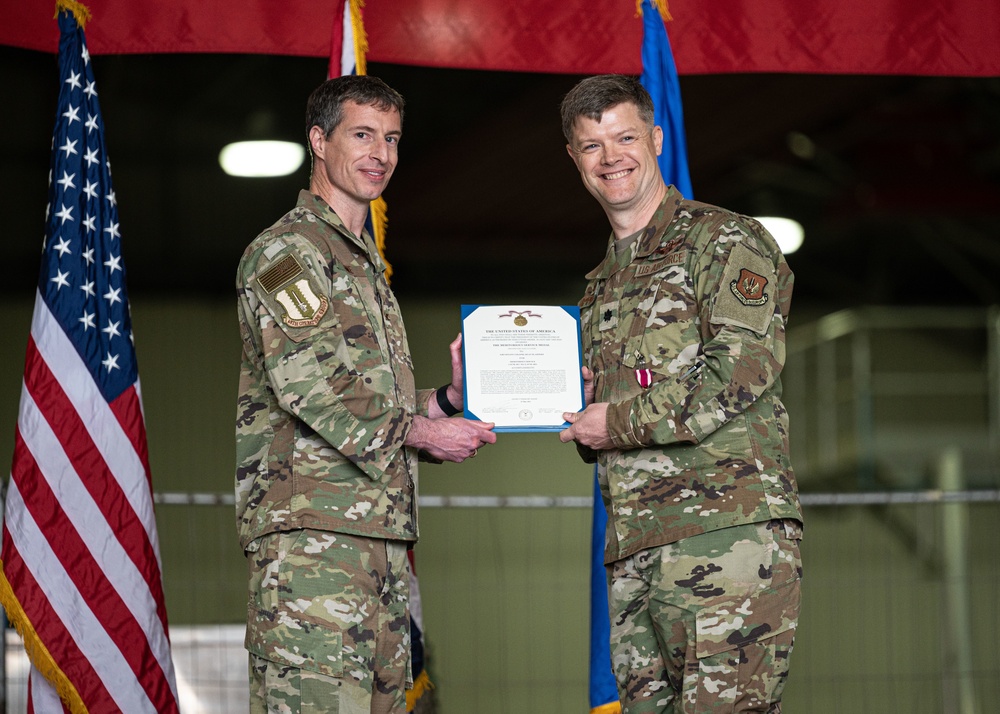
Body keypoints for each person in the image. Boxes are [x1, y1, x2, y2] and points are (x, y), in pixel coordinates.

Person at [234, 74, 496, 714]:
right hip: (313, 548)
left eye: (393, 138)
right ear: (319, 141)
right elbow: (311, 385)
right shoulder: (288, 251)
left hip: (378, 547)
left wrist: (449, 403)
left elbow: (381, 407)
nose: (381, 153)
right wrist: (421, 432)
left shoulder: (364, 267)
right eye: (362, 135)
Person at [557, 75, 803, 713]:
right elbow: (616, 411)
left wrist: (614, 422)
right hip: (637, 548)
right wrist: (575, 408)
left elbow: (739, 372)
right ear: (575, 159)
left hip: (725, 538)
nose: (611, 157)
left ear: (656, 138)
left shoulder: (725, 240)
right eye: (591, 145)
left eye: (624, 137)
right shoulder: (601, 284)